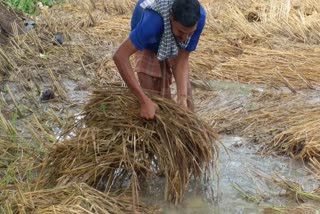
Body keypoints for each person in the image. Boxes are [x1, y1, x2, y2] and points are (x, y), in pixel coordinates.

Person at [113, 0, 206, 119]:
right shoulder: (151, 24)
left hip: (167, 30)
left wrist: (182, 99)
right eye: (181, 32)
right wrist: (143, 101)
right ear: (171, 16)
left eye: (190, 33)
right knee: (153, 94)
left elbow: (182, 60)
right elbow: (120, 56)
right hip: (150, 41)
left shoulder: (199, 18)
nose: (185, 38)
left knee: (187, 104)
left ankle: (191, 131)